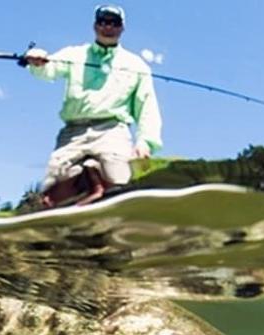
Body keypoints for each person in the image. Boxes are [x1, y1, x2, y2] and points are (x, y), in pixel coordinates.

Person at [25, 5, 162, 207]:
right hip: (72, 133)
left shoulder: (137, 65)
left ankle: (99, 193)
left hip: (113, 131)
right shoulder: (75, 54)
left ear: (122, 28)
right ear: (95, 25)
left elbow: (147, 107)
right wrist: (35, 60)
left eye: (114, 23)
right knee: (50, 197)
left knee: (119, 185)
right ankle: (87, 183)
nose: (108, 27)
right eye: (103, 22)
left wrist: (145, 142)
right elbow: (47, 69)